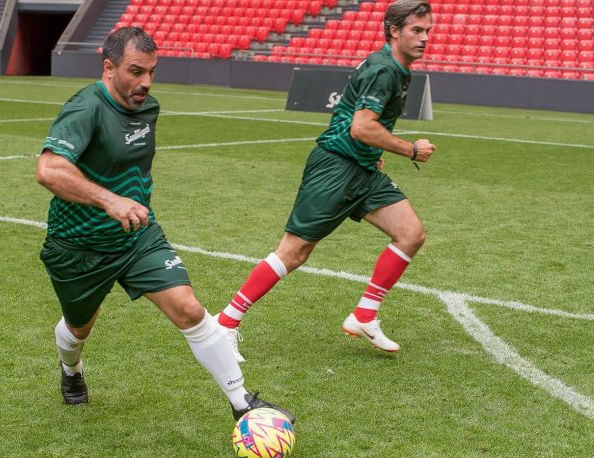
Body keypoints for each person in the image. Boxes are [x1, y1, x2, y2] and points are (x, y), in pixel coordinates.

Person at [36, 27, 294, 423]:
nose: (146, 83)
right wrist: (109, 200)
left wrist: (130, 206)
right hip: (79, 246)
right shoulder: (85, 108)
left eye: (152, 72)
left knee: (188, 308)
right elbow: (49, 169)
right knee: (78, 328)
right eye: (136, 71)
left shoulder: (148, 107)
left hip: (138, 237)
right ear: (108, 67)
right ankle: (71, 370)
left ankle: (243, 402)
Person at [216, 0, 436, 360]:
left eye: (427, 30)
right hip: (335, 167)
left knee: (411, 233)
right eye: (417, 30)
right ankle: (225, 322)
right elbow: (362, 127)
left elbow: (363, 123)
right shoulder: (385, 71)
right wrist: (409, 150)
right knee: (294, 252)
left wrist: (376, 150)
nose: (425, 38)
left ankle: (365, 314)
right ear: (394, 31)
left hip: (363, 169)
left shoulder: (395, 67)